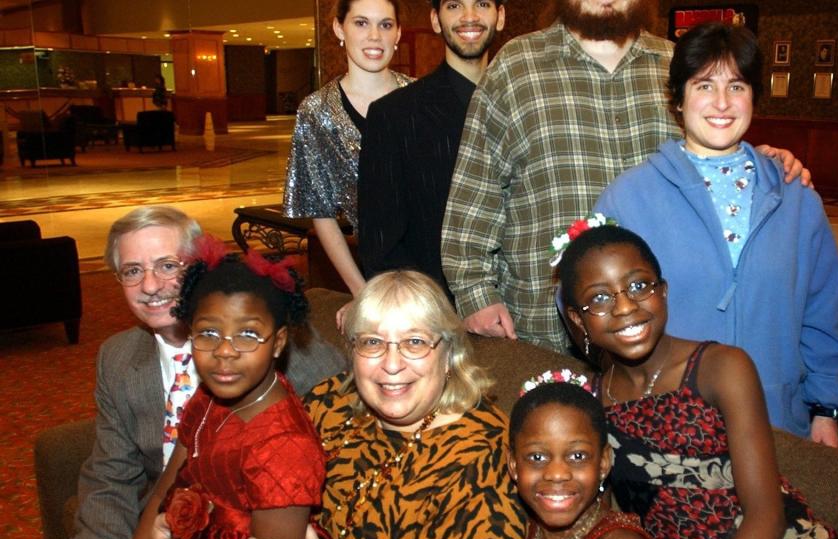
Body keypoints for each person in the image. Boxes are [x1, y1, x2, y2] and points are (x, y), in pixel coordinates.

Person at [6, 207, 345, 539]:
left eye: (167, 265)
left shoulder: (295, 361)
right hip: (153, 538)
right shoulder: (120, 359)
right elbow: (113, 474)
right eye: (132, 270)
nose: (150, 285)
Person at [440, 0, 808, 353]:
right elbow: (475, 193)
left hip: (665, 332)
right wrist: (476, 296)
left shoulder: (677, 66)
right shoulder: (516, 66)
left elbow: (714, 154)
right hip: (544, 329)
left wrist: (761, 163)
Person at [151, 270, 525, 539]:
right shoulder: (329, 403)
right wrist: (174, 530)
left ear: (449, 354)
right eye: (372, 342)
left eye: (415, 342)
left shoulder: (486, 452)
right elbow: (233, 478)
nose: (392, 364)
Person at [557, 223, 838, 539]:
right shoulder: (592, 402)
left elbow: (765, 514)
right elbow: (601, 522)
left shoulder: (722, 367)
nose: (626, 306)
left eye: (639, 285)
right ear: (578, 319)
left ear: (663, 291)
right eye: (600, 298)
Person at [593, 22, 838, 444]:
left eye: (737, 86)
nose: (722, 103)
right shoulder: (628, 197)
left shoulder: (796, 197)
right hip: (663, 428)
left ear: (754, 97)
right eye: (704, 85)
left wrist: (826, 409)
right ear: (677, 98)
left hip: (776, 423)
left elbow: (823, 312)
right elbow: (582, 298)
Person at [87, 242, 328, 539]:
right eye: (208, 333)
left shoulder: (285, 448)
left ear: (278, 343)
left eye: (248, 334)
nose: (224, 352)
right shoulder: (208, 398)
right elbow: (162, 491)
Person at [357, 0, 505, 299]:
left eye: (482, 3)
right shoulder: (394, 115)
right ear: (435, 20)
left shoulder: (527, 105)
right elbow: (380, 245)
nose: (469, 16)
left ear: (500, 17)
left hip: (527, 306)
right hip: (438, 310)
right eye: (454, 6)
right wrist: (430, 310)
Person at [283, 0, 413, 316]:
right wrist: (361, 291)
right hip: (376, 270)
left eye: (385, 24)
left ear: (398, 33)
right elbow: (321, 212)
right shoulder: (317, 111)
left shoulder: (423, 98)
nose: (374, 36)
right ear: (339, 28)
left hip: (441, 268)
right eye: (361, 23)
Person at [508, 374, 666, 539]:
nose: (557, 474)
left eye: (577, 456)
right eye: (537, 457)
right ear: (513, 465)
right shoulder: (519, 525)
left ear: (603, 463)